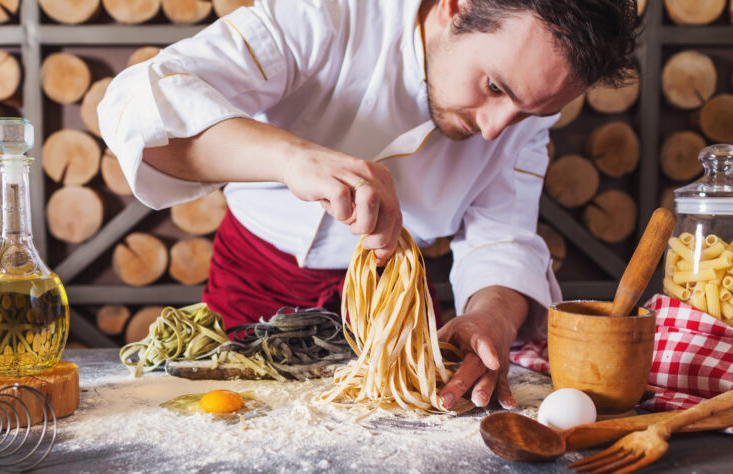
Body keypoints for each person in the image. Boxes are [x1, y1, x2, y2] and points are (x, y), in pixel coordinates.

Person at [99, 0, 639, 410]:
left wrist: (492, 317)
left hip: (395, 307)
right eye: (494, 86)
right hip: (254, 288)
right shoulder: (329, 15)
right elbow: (138, 108)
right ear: (458, 8)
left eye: (526, 114)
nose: (495, 127)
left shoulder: (524, 112)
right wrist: (291, 157)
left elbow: (504, 233)